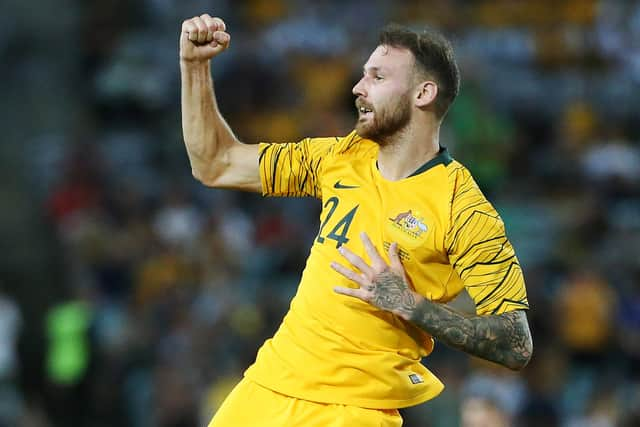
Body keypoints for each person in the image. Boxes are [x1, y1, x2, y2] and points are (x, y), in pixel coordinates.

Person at [179, 13, 533, 427]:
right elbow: (216, 164)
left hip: (354, 411)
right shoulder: (341, 157)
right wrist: (195, 67)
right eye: (363, 75)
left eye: (377, 77)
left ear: (423, 93)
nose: (357, 87)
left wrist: (411, 306)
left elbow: (516, 343)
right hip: (268, 386)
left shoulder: (463, 208)